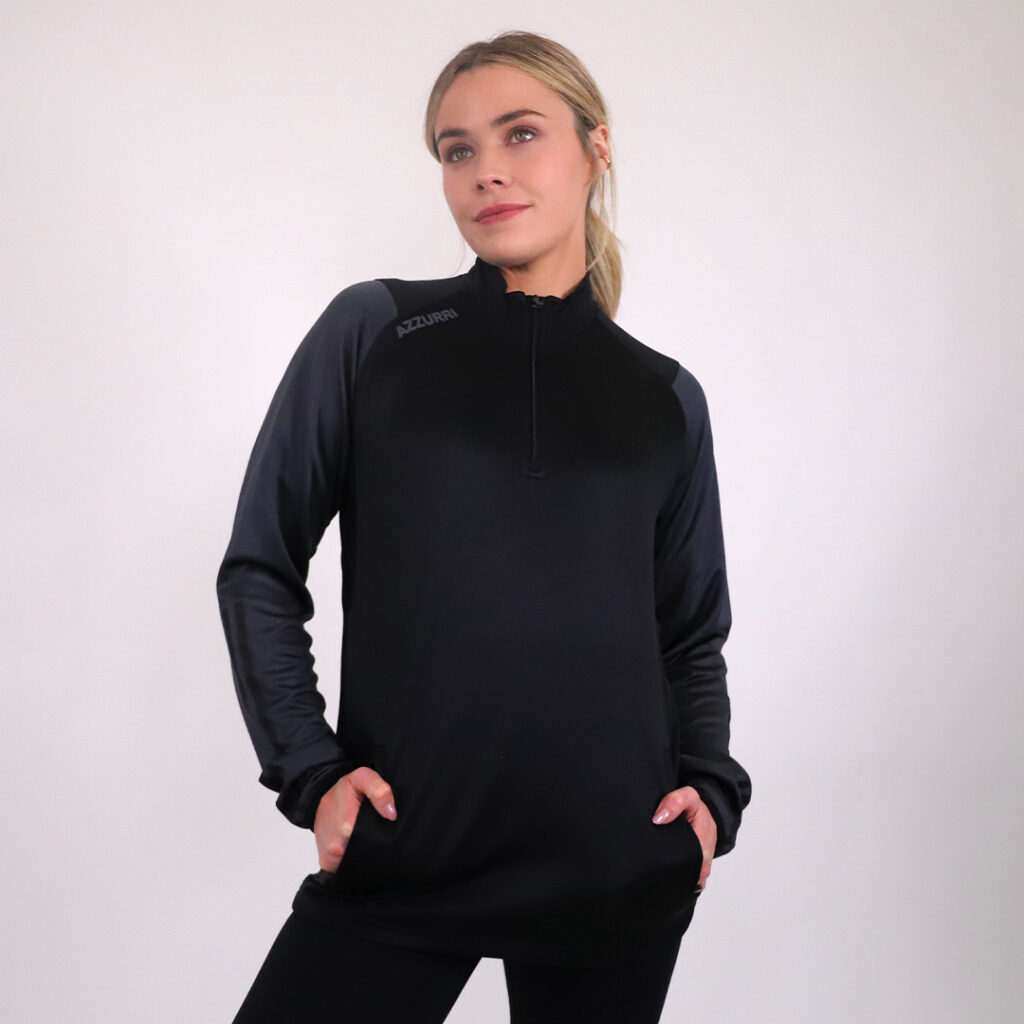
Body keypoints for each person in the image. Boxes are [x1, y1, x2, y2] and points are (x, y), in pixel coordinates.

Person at [216, 29, 752, 1024]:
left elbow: (688, 633)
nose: (486, 171)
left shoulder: (664, 396)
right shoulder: (375, 332)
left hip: (616, 872)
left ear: (596, 147)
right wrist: (313, 772)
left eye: (520, 134)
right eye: (457, 149)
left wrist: (711, 793)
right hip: (406, 852)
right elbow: (259, 568)